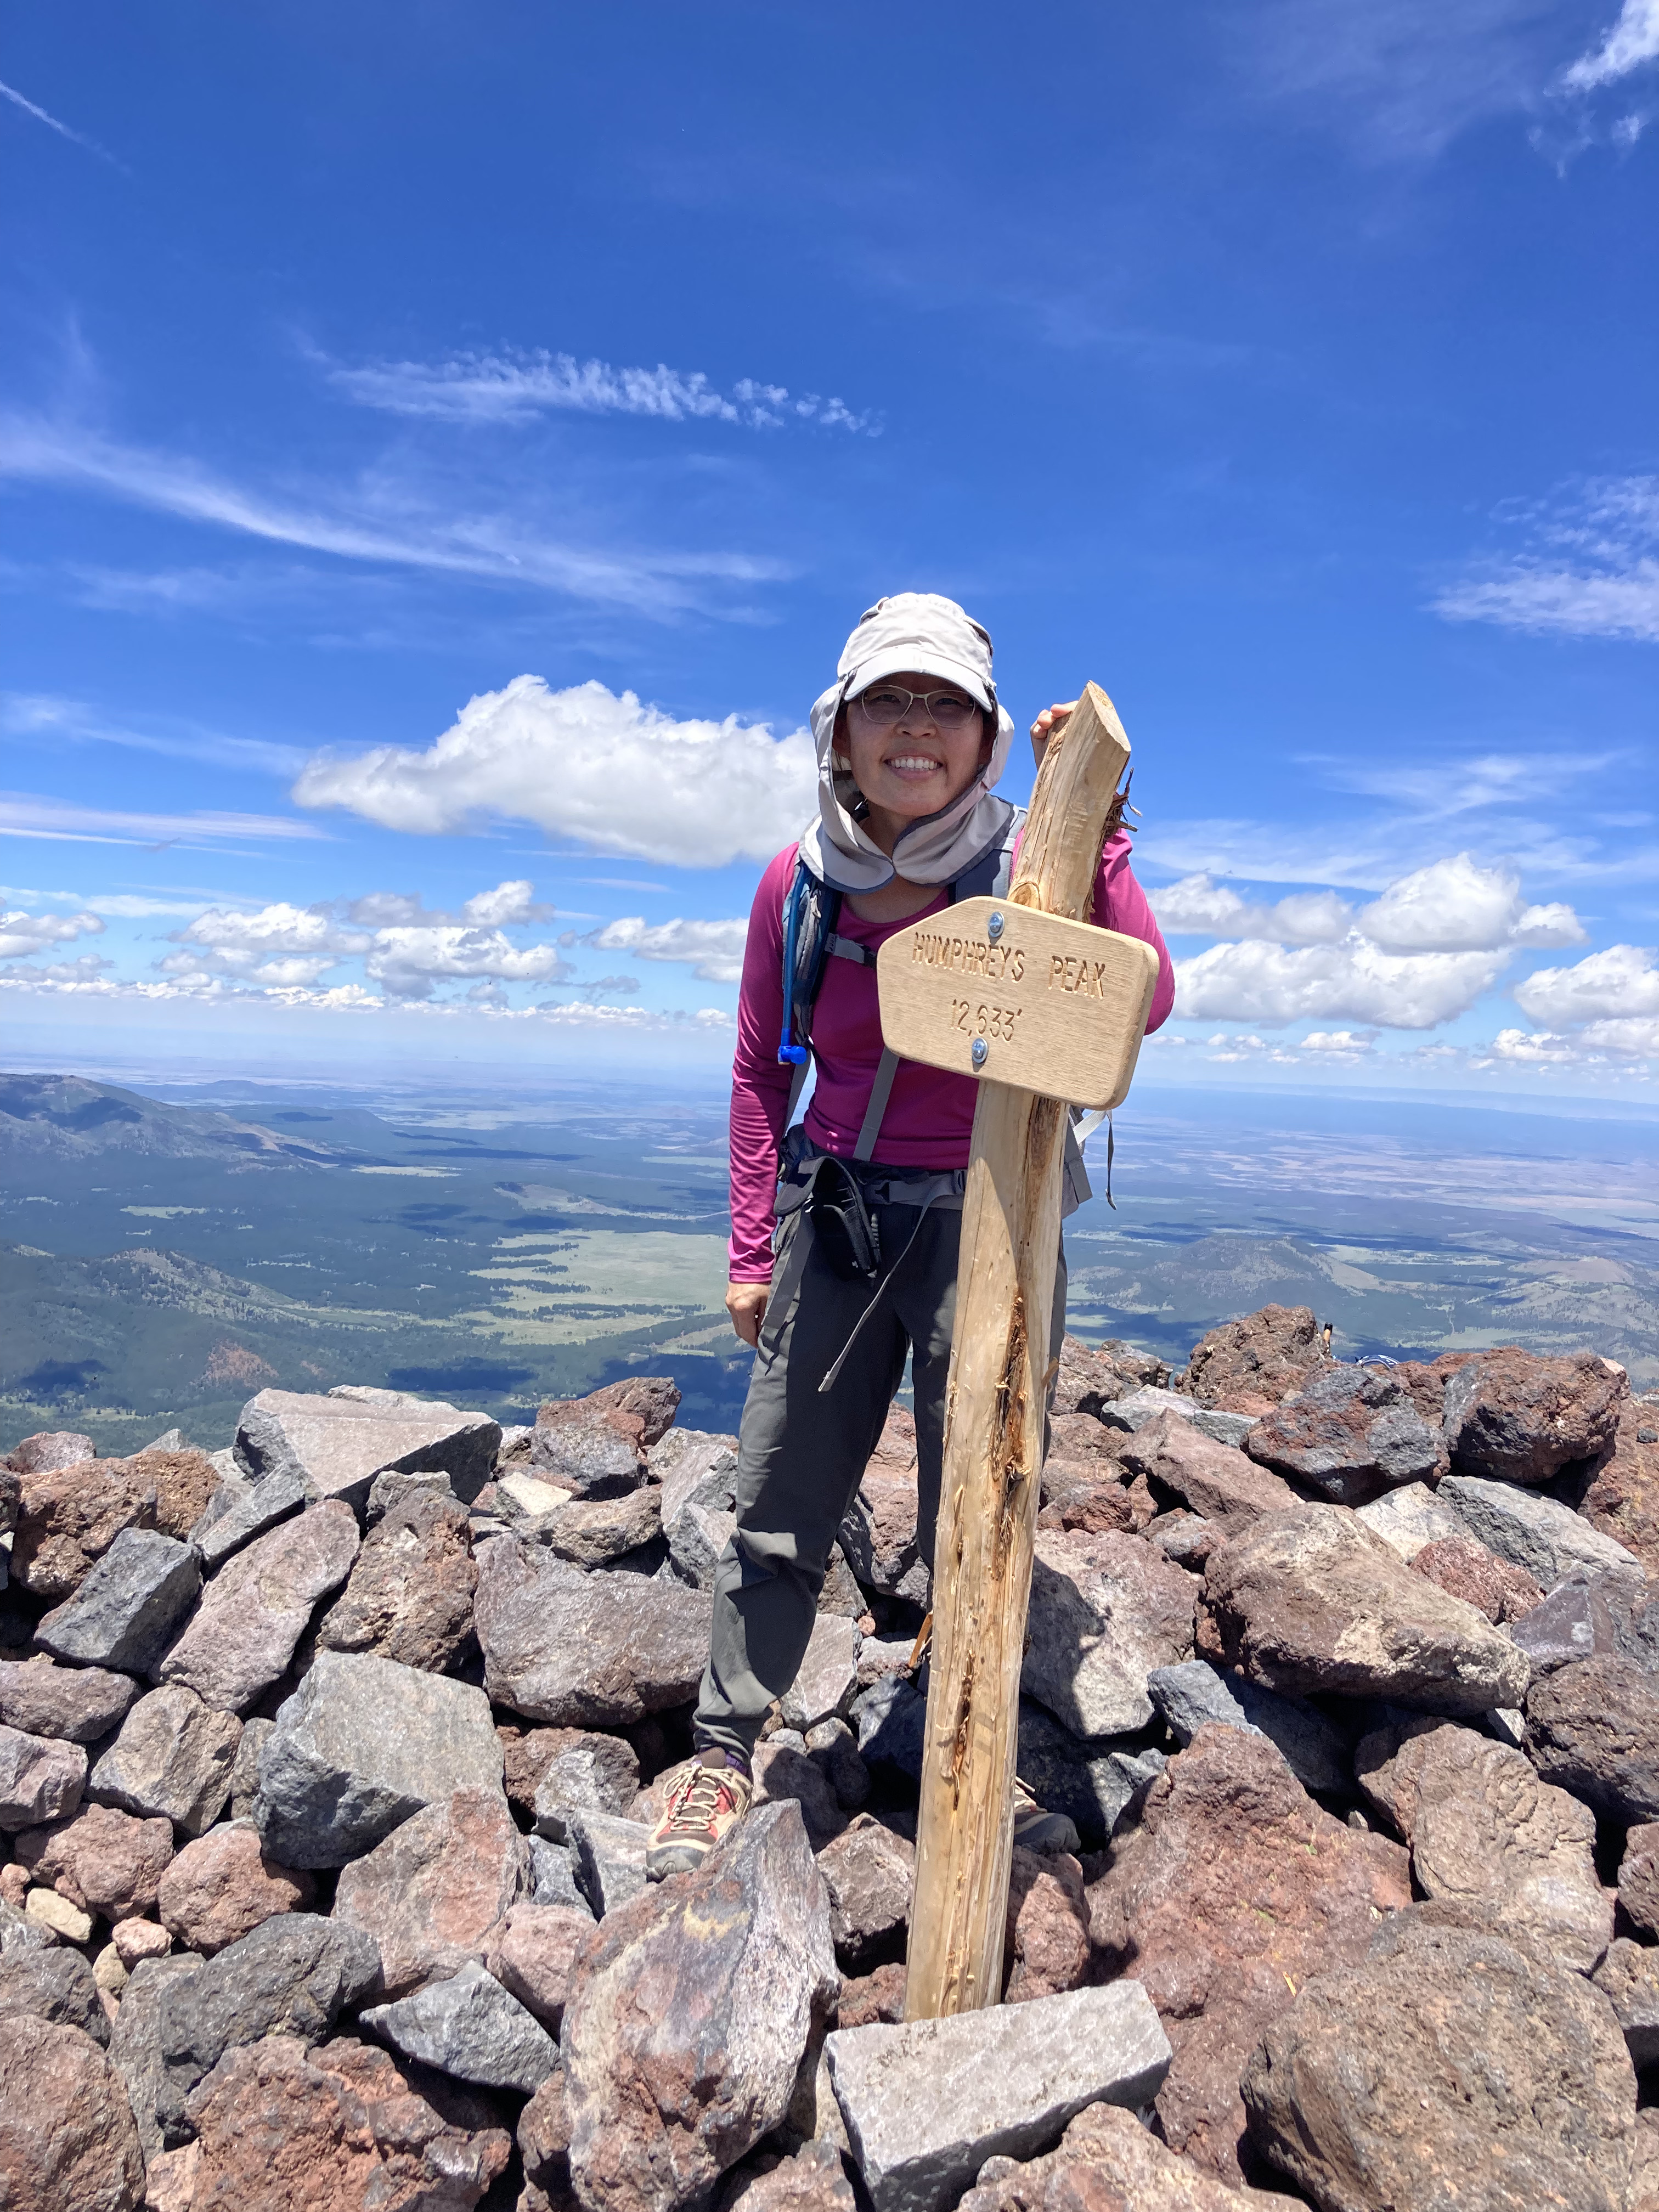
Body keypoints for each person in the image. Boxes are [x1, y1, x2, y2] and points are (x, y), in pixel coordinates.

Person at [646, 592, 1175, 1879]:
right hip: (838, 1217)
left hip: (993, 1218)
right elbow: (760, 1073)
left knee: (977, 1504)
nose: (916, 727)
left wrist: (1093, 834)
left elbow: (1144, 999)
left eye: (946, 703)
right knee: (781, 1490)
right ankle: (724, 1750)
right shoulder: (800, 883)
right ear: (841, 729)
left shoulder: (1032, 863)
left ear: (988, 736)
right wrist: (751, 1250)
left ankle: (968, 1761)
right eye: (889, 699)